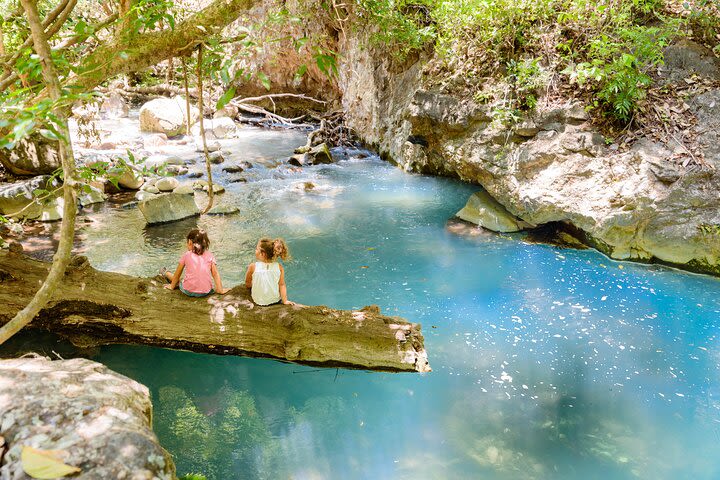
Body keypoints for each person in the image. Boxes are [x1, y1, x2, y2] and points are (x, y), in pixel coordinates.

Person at [162, 228, 229, 296]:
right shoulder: (210, 255)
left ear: (190, 242)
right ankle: (166, 273)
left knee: (180, 280)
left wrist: (172, 286)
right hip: (205, 292)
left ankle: (166, 273)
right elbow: (215, 274)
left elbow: (178, 273)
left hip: (188, 291)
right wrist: (220, 290)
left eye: (187, 242)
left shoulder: (187, 254)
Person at [245, 237, 293, 305]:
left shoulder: (253, 266)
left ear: (263, 254)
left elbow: (247, 283)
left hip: (258, 301)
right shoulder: (279, 267)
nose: (255, 251)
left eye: (256, 249)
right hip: (275, 300)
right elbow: (282, 285)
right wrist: (285, 301)